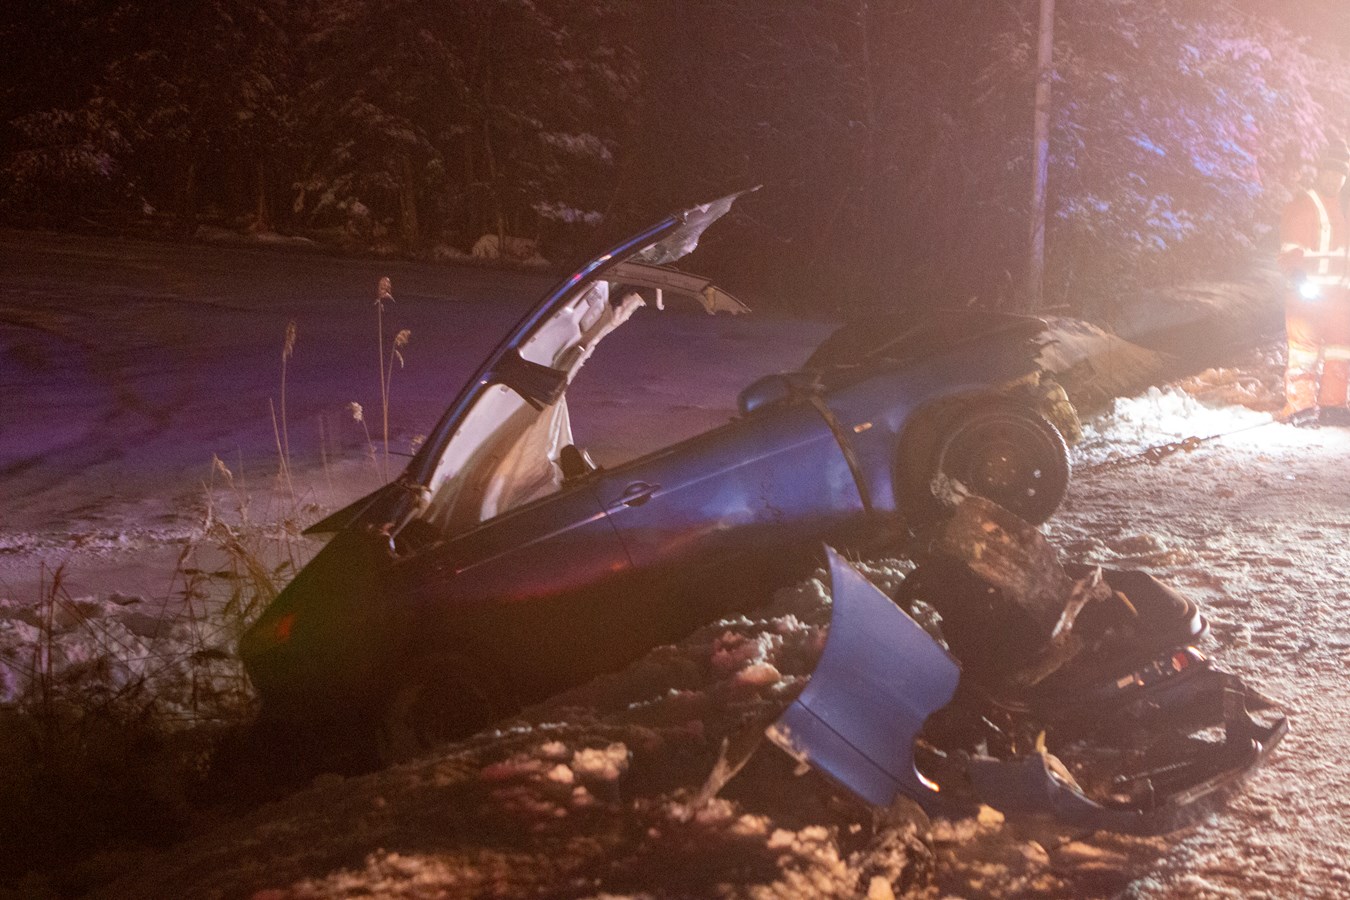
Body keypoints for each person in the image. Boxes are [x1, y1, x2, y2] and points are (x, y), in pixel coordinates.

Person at [1278, 142, 1350, 425]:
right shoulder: (1302, 206)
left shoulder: (1345, 209)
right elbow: (1289, 251)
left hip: (1340, 296)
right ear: (1320, 173)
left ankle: (1334, 405)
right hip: (1306, 295)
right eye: (1330, 172)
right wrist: (1296, 276)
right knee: (1304, 352)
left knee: (1340, 350)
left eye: (1340, 173)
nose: (1335, 178)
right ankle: (1301, 407)